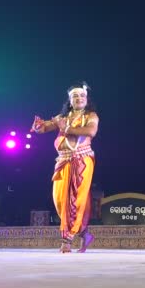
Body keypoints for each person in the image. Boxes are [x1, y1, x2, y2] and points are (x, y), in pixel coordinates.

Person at [31, 82, 99, 253]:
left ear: (86, 99)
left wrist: (67, 128)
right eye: (75, 96)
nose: (79, 98)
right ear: (70, 100)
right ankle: (84, 234)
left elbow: (91, 132)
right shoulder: (63, 117)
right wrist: (38, 127)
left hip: (82, 160)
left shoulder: (91, 116)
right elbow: (46, 126)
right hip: (62, 161)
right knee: (60, 201)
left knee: (74, 200)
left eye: (82, 96)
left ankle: (66, 240)